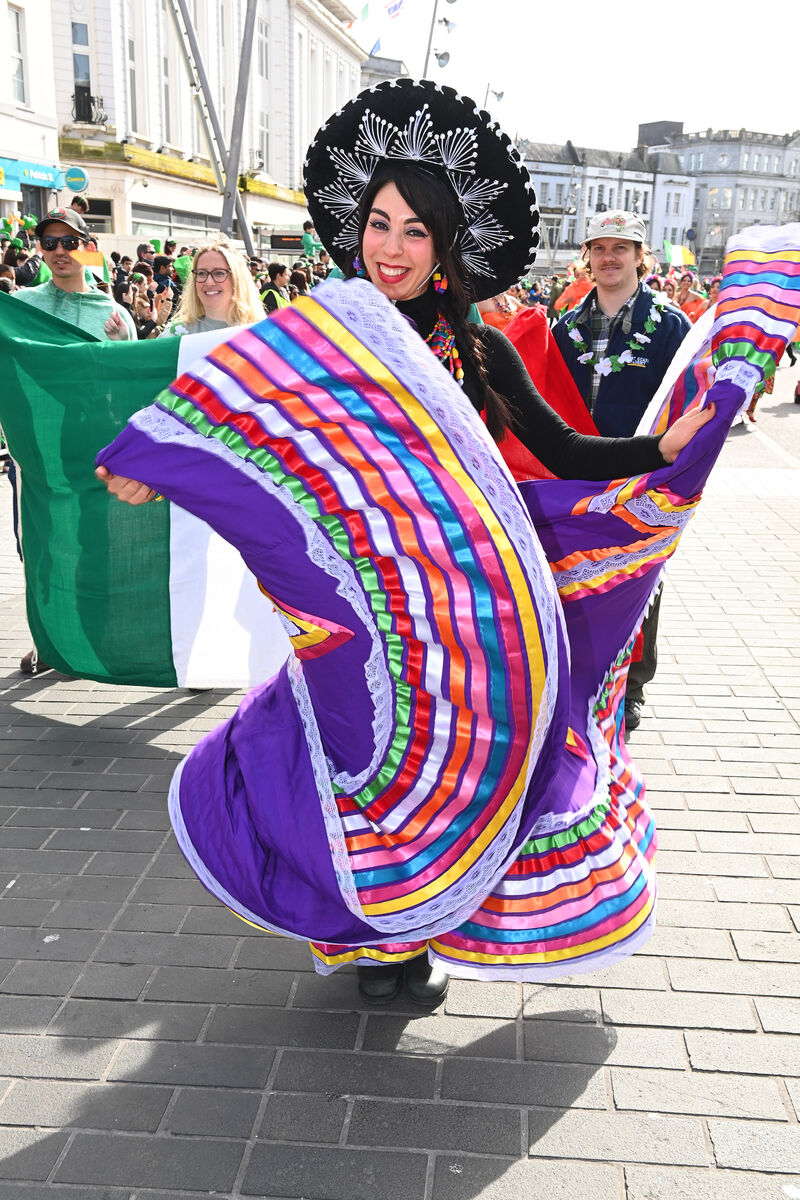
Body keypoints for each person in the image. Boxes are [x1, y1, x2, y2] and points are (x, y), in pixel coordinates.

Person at [99, 81, 712, 1007]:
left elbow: (563, 450)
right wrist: (159, 462)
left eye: (415, 231)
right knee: (350, 771)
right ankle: (378, 939)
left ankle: (423, 924)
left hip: (464, 624)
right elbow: (234, 412)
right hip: (360, 617)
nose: (391, 246)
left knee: (464, 781)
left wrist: (660, 448)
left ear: (443, 249)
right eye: (379, 223)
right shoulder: (322, 341)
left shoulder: (479, 348)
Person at [553, 211, 691, 731]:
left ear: (640, 256)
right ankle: (584, 673)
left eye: (621, 248)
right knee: (581, 575)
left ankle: (631, 687)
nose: (609, 258)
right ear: (586, 255)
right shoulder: (564, 327)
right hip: (580, 474)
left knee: (641, 575)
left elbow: (686, 402)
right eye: (599, 248)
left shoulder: (670, 324)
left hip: (646, 473)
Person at [154, 236, 264, 336]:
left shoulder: (262, 335)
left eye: (219, 273)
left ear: (237, 278)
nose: (209, 282)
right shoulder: (174, 336)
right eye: (202, 273)